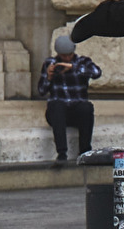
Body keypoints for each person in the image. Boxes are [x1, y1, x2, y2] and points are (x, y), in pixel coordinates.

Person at [38, 35, 101, 165]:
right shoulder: (50, 64)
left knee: (86, 107)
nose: (66, 58)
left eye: (69, 55)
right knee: (56, 105)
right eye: (63, 56)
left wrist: (74, 67)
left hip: (77, 110)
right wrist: (48, 77)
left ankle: (85, 151)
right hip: (58, 113)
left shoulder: (82, 62)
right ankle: (61, 153)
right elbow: (41, 91)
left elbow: (96, 73)